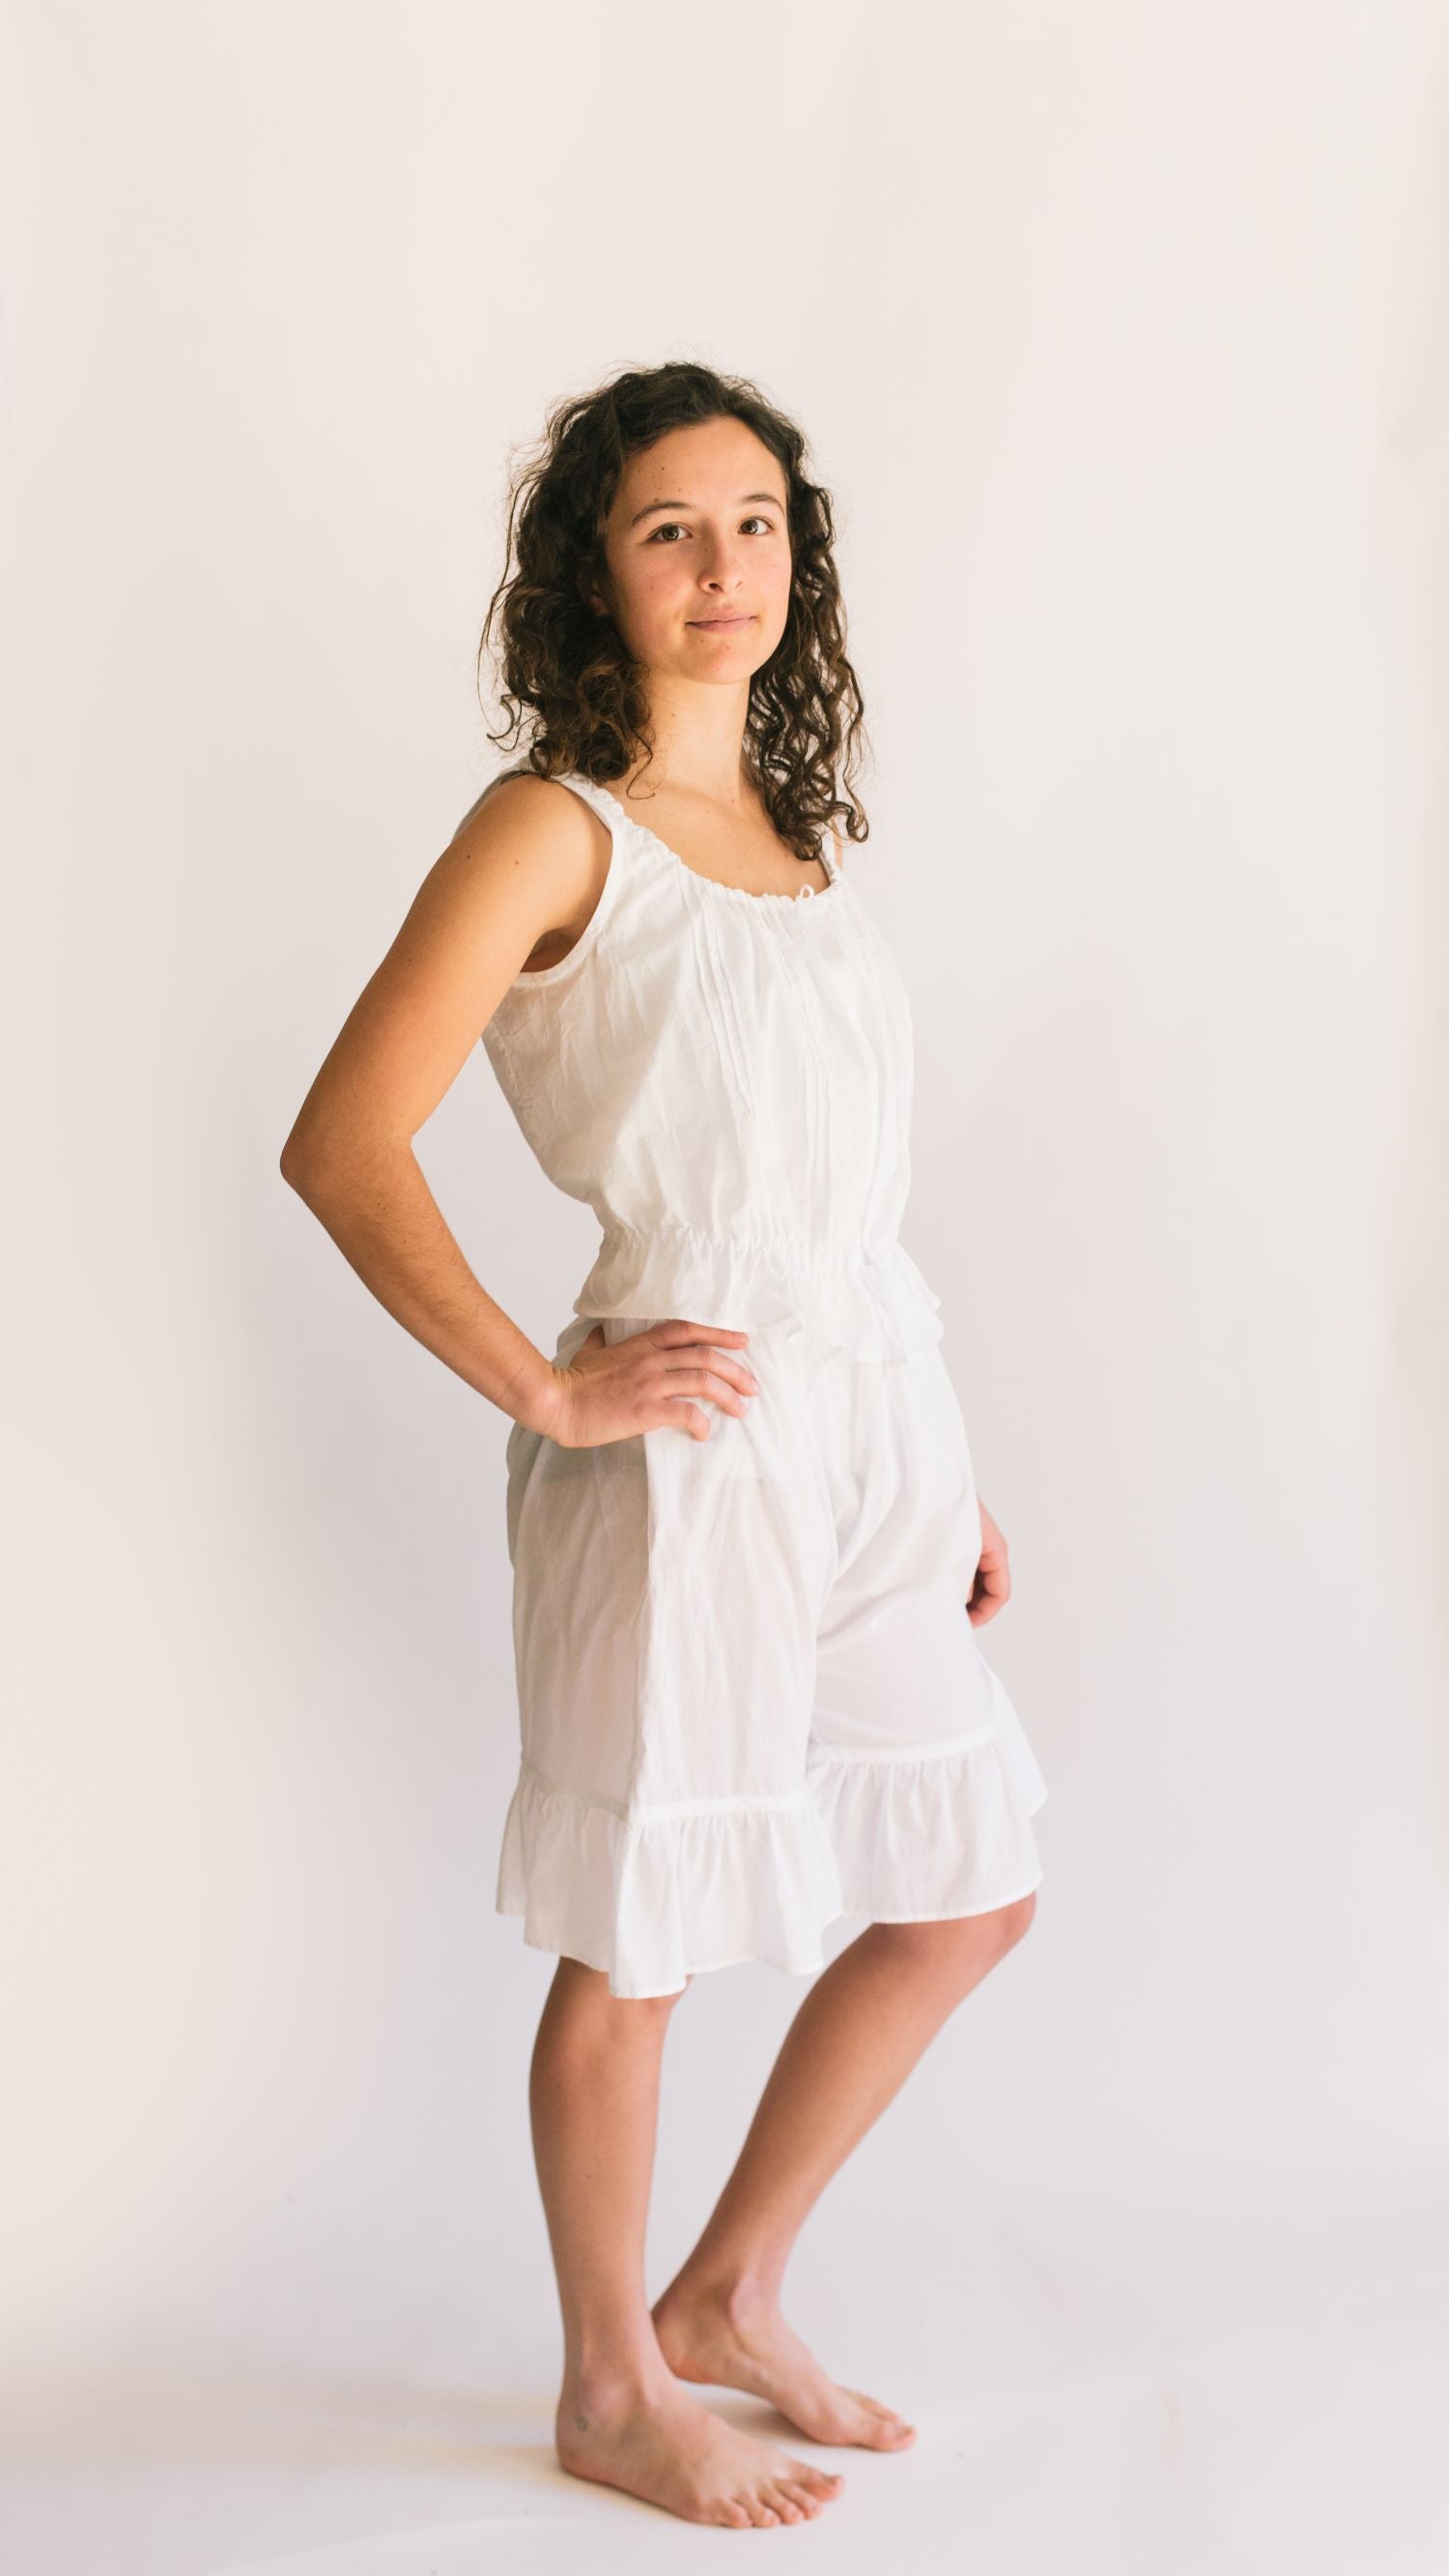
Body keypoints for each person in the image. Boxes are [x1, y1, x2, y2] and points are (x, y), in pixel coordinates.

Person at [280, 359, 1049, 2533]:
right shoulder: (557, 829)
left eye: (756, 525)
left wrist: (940, 1463)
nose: (725, 570)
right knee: (645, 1930)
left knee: (973, 1891)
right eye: (669, 531)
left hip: (873, 1418)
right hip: (690, 1441)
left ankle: (728, 2290)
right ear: (592, 579)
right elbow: (344, 1142)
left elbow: (833, 1205)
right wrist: (546, 1382)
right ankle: (609, 2382)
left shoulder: (800, 846)